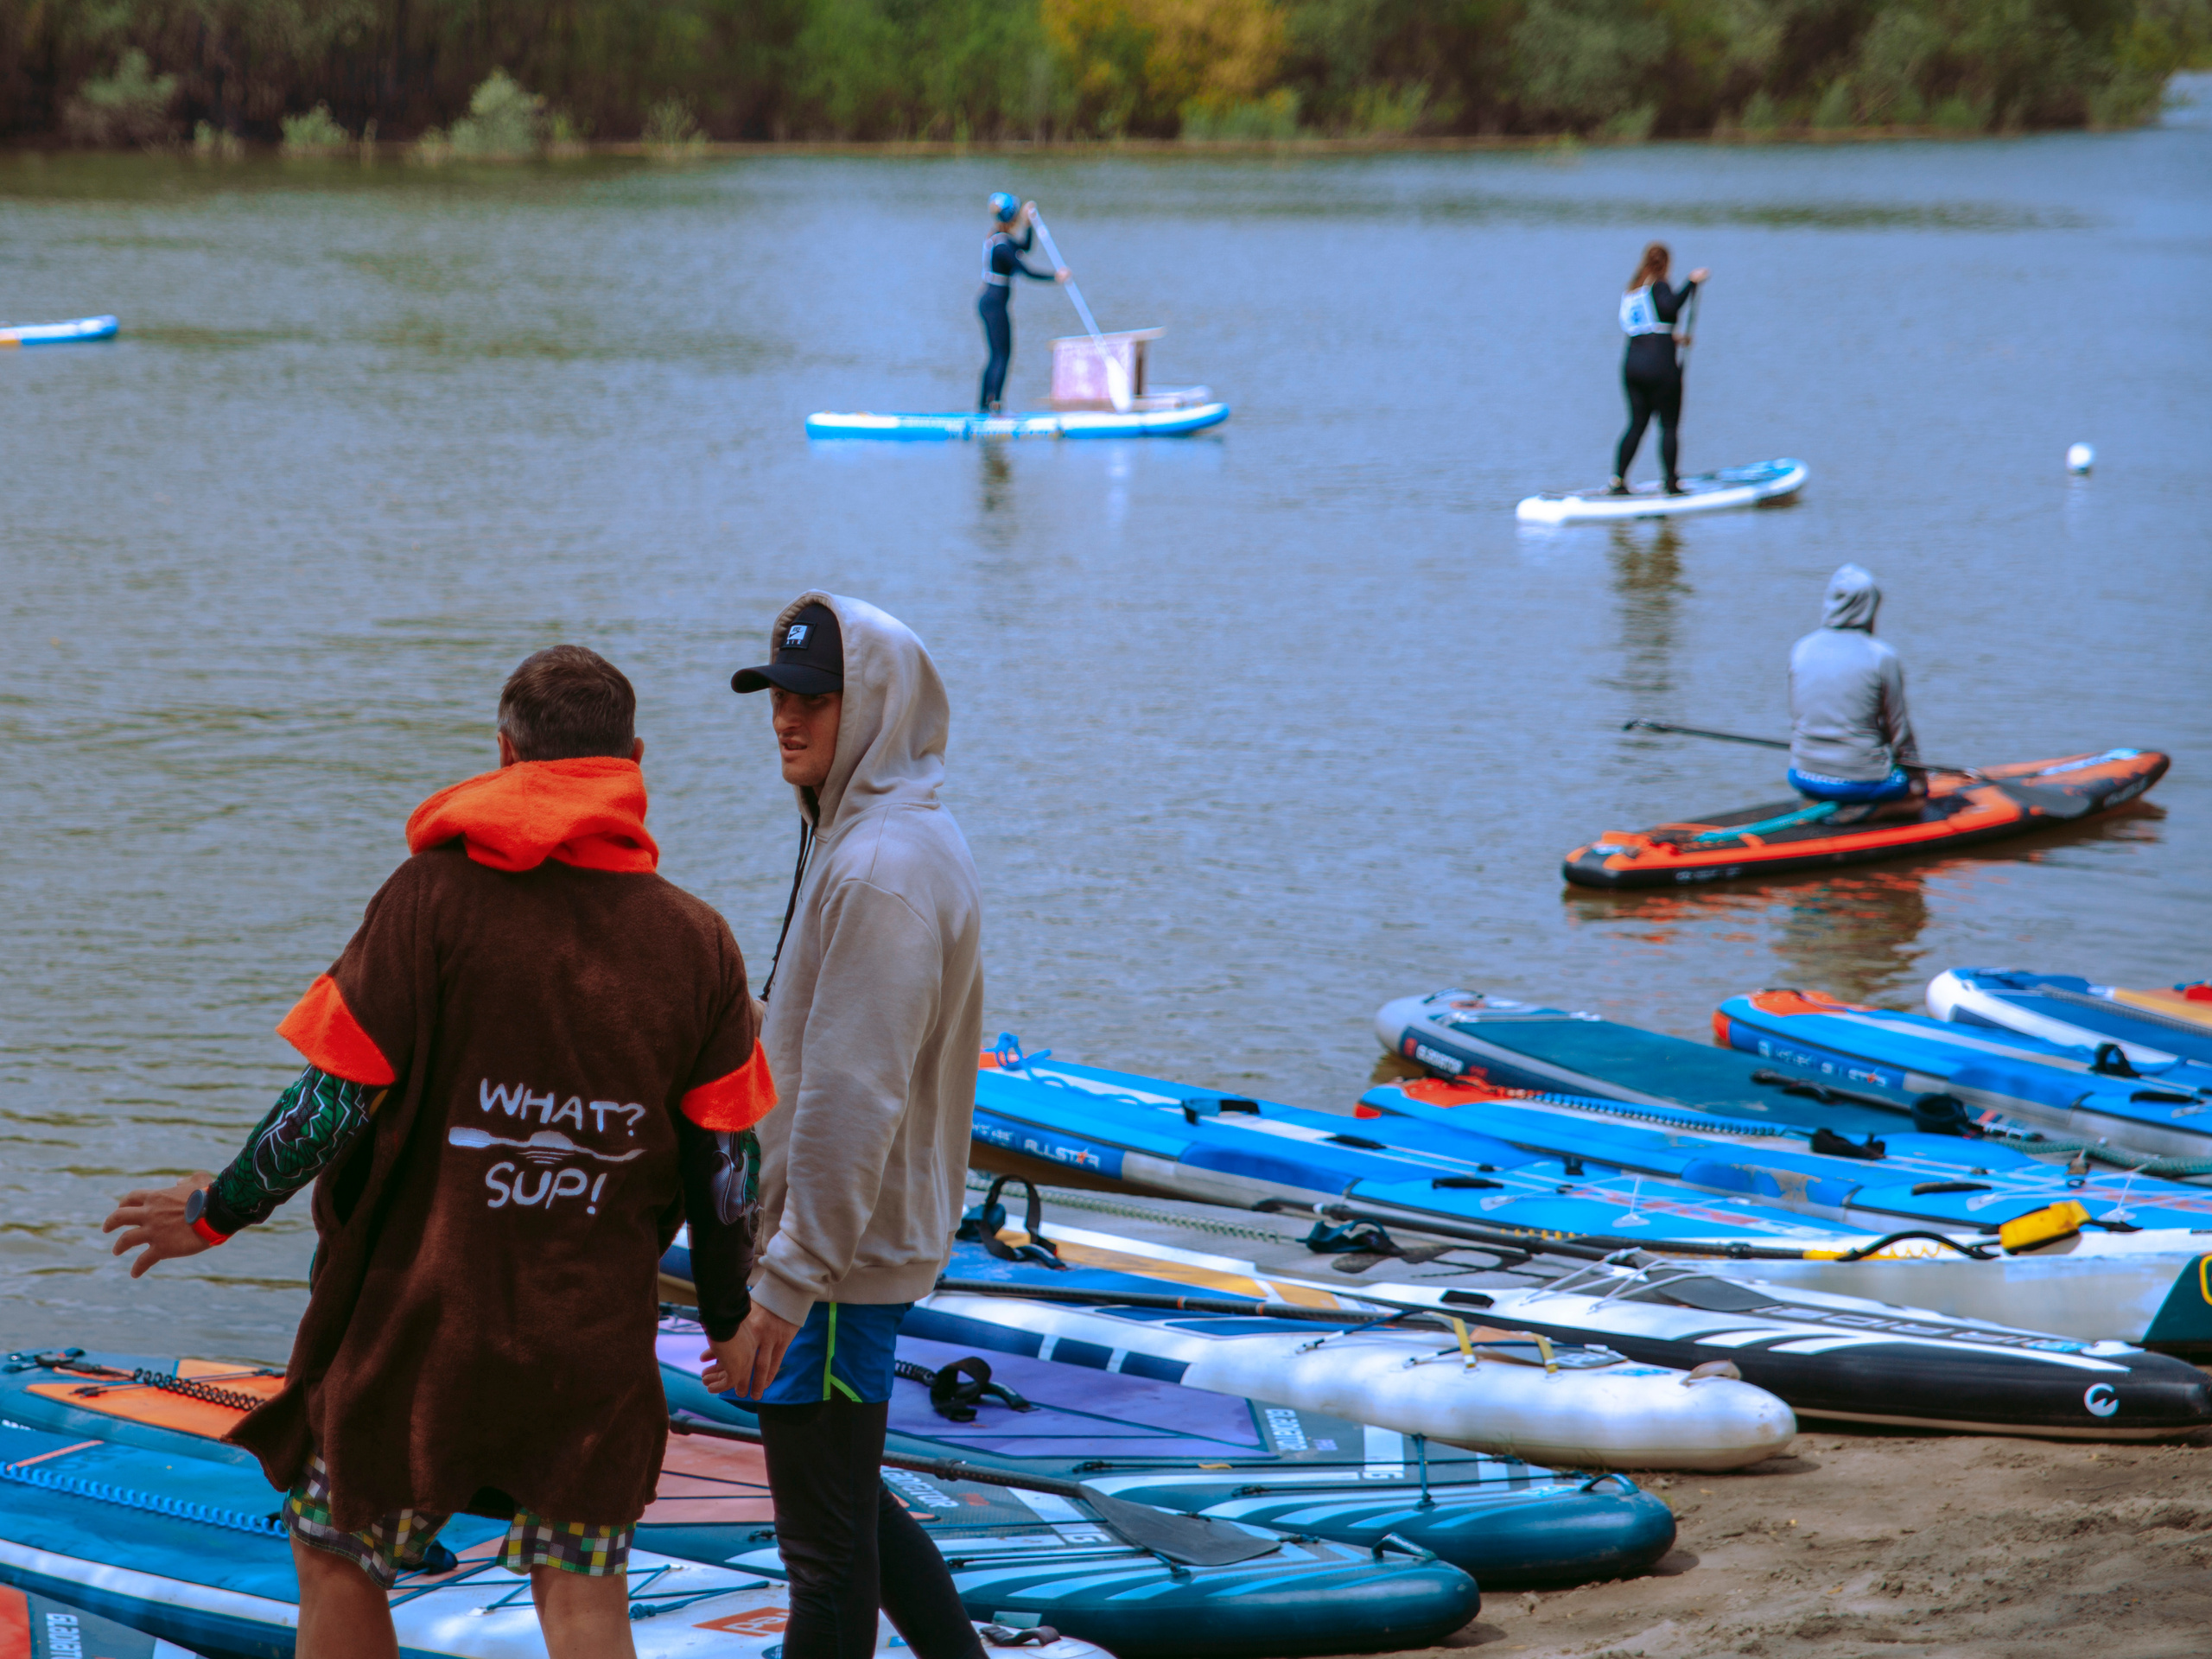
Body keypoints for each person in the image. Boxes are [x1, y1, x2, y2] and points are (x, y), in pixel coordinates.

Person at [101, 646, 775, 1659]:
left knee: (337, 1558)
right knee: (583, 1592)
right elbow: (728, 1168)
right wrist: (730, 1315)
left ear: (502, 756)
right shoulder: (699, 944)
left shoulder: (428, 902)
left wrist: (219, 1209)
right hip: (588, 1351)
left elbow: (331, 1104)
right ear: (631, 760)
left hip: (417, 1341)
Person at [712, 594, 987, 1659]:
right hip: (841, 1248)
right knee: (850, 1507)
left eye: (815, 700)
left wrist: (785, 1280)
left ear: (870, 708)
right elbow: (827, 1043)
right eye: (777, 695)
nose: (786, 717)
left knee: (822, 1564)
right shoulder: (880, 834)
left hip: (832, 1261)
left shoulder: (883, 869)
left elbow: (854, 1093)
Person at [1789, 563, 1925, 819]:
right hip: (1860, 782)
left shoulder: (1801, 649)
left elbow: (1797, 717)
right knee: (1916, 800)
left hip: (1802, 776)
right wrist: (1918, 778)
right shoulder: (1881, 656)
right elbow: (1900, 733)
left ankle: (1817, 802)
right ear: (1868, 607)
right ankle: (1863, 812)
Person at [1611, 242, 1707, 496]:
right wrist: (1692, 282)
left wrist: (1675, 338)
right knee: (1668, 425)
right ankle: (1671, 483)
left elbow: (1647, 326)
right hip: (1660, 367)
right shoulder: (1659, 284)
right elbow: (1671, 307)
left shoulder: (1632, 290)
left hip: (1632, 365)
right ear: (1666, 264)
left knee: (1637, 423)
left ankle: (1618, 481)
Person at [977, 191, 1067, 413]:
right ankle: (993, 405)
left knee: (997, 354)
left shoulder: (1000, 238)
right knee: (1001, 355)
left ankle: (985, 405)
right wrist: (1056, 277)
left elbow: (1025, 247)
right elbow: (1026, 271)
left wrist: (1029, 224)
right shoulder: (1002, 246)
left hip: (992, 303)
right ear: (1011, 216)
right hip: (993, 304)